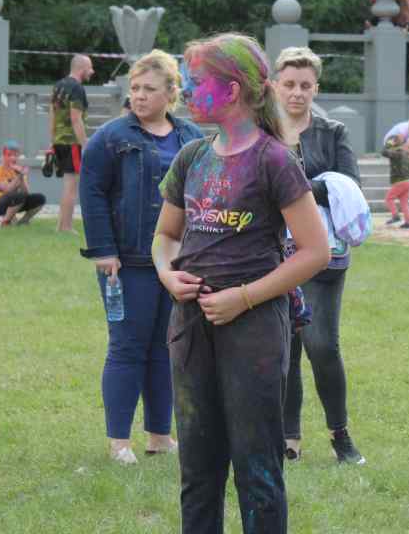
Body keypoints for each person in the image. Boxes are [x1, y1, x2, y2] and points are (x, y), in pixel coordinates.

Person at [153, 33, 330, 533]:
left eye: (197, 82)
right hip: (191, 329)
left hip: (254, 331)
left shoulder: (275, 160)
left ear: (232, 91)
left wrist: (244, 297)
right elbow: (166, 236)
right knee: (197, 468)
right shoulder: (191, 156)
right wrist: (167, 273)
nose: (187, 91)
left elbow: (316, 251)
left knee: (258, 470)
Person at [79, 50, 204, 465]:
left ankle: (159, 437)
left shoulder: (191, 138)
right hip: (126, 263)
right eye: (134, 88)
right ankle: (119, 442)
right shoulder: (110, 137)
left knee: (166, 348)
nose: (139, 96)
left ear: (171, 93)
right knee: (127, 348)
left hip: (177, 263)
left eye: (149, 89)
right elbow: (92, 193)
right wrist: (103, 250)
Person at [272, 46, 366, 465]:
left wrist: (294, 187)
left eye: (305, 85)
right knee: (285, 346)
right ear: (275, 85)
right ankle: (288, 437)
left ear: (316, 88)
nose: (297, 92)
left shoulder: (332, 132)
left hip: (323, 253)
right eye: (289, 84)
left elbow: (350, 186)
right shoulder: (263, 130)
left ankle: (340, 435)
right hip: (272, 251)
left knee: (322, 344)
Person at [49, 54, 94, 232]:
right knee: (71, 187)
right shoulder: (77, 88)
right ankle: (66, 227)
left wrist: (52, 140)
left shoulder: (58, 86)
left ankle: (60, 225)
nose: (92, 71)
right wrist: (85, 145)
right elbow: (76, 119)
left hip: (59, 141)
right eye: (90, 68)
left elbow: (52, 115)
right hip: (72, 143)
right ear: (82, 69)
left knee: (67, 185)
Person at [0, 138, 45, 226]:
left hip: (16, 202)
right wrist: (19, 176)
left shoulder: (18, 170)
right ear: (4, 156)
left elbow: (26, 193)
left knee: (40, 198)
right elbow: (7, 191)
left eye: (15, 155)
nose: (13, 158)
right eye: (9, 155)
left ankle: (23, 222)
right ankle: (5, 222)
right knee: (18, 196)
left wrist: (21, 177)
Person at [382, 133, 409, 229]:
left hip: (400, 181)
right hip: (408, 181)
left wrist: (388, 144)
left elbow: (384, 152)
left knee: (389, 198)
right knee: (404, 202)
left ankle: (395, 216)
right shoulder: (405, 154)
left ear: (394, 143)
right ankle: (408, 222)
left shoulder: (396, 153)